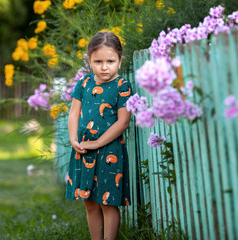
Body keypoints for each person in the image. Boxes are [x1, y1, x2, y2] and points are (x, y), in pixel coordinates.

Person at [65, 31, 132, 240]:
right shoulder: (84, 83)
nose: (104, 67)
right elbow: (74, 113)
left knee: (107, 202)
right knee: (90, 202)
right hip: (84, 149)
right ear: (89, 60)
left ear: (120, 60)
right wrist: (74, 139)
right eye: (99, 61)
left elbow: (123, 122)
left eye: (110, 61)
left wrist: (98, 143)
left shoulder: (122, 86)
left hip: (109, 150)